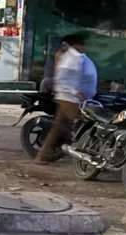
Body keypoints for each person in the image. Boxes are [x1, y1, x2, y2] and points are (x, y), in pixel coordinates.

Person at [36, 32, 97, 163]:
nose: (83, 47)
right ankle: (51, 153)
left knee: (61, 127)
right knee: (82, 124)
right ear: (75, 45)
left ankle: (46, 154)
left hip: (71, 97)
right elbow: (63, 78)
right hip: (69, 99)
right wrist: (75, 91)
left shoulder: (77, 57)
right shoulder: (72, 58)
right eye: (81, 44)